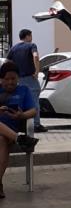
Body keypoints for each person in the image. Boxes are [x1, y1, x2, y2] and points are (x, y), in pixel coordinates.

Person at [0, 61, 39, 198]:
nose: (10, 82)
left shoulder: (24, 90)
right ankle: (20, 139)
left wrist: (21, 115)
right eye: (6, 79)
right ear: (1, 79)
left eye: (13, 79)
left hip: (7, 134)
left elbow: (33, 111)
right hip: (12, 134)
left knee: (2, 140)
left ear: (18, 79)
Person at [7, 28, 45, 132]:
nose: (31, 38)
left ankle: (19, 123)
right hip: (30, 78)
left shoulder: (13, 48)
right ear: (27, 36)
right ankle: (36, 124)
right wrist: (37, 71)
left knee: (19, 101)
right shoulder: (31, 45)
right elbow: (36, 57)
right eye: (31, 36)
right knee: (34, 100)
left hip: (18, 79)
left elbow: (7, 62)